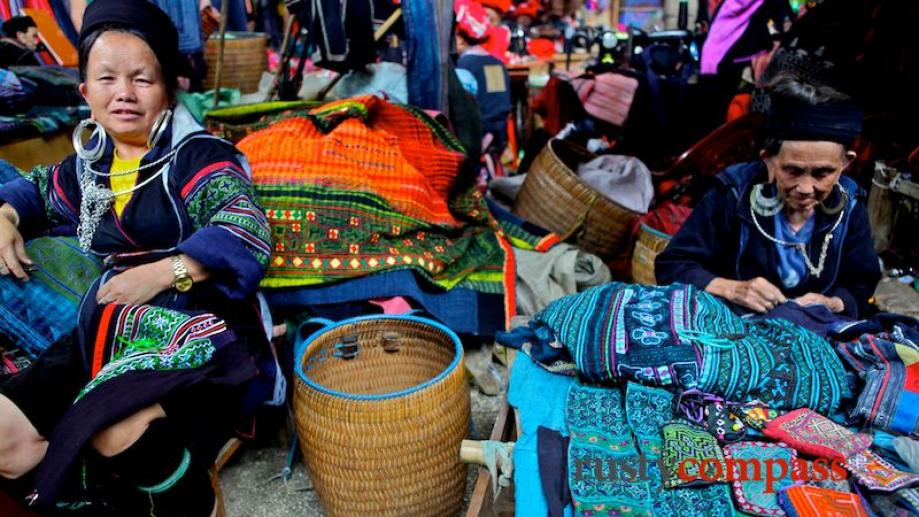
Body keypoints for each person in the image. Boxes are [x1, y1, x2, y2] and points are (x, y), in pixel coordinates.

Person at [0, 1, 272, 515]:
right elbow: (33, 191)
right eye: (106, 78)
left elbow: (247, 227)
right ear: (85, 92)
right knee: (5, 439)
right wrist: (5, 217)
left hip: (198, 333)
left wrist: (164, 272)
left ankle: (193, 504)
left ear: (167, 89)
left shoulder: (197, 157)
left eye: (141, 80)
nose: (123, 93)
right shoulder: (92, 164)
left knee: (116, 425)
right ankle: (102, 498)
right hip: (105, 329)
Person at [655, 76, 882, 318]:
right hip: (733, 324)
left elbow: (861, 282)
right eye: (792, 171)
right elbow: (672, 265)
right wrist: (732, 289)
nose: (806, 188)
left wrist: (832, 303)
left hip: (813, 330)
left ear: (846, 163)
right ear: (768, 160)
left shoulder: (850, 204)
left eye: (822, 173)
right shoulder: (732, 192)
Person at [455, 0, 511, 157]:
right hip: (498, 137)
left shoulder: (464, 66)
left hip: (477, 141)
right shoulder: (497, 63)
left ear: (459, 38)